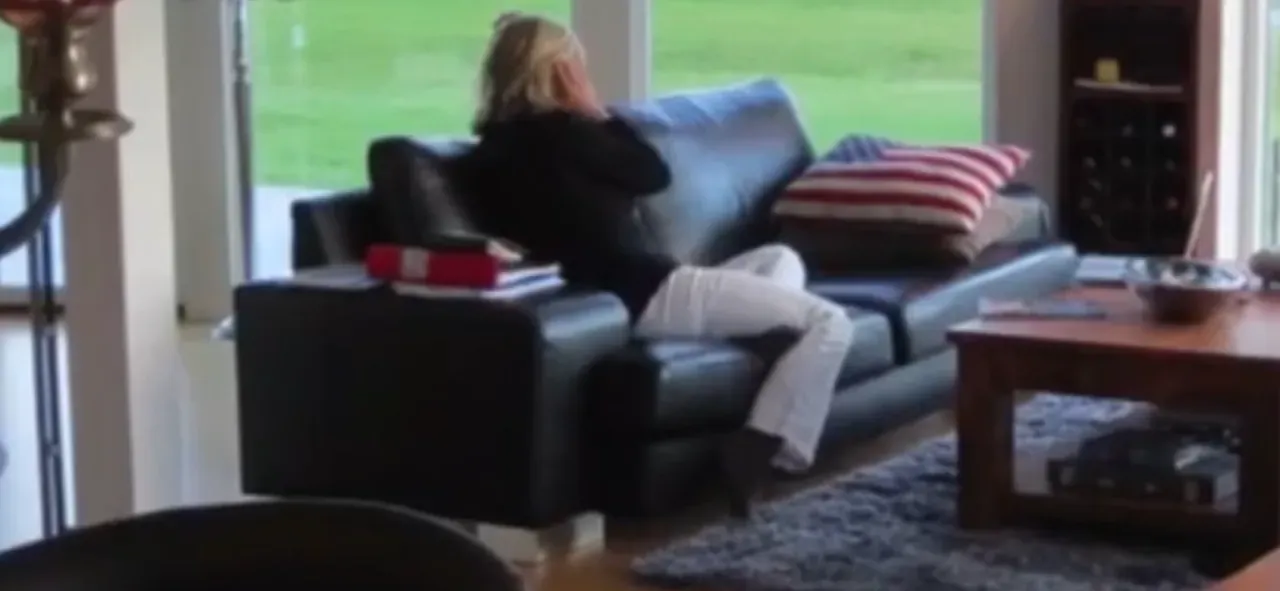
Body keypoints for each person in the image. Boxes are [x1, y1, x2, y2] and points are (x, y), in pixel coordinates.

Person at [461, 12, 856, 517]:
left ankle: (771, 350)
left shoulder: (491, 150)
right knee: (829, 322)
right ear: (559, 71)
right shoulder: (567, 135)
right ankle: (763, 449)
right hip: (647, 292)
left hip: (613, 297)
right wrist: (594, 111)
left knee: (779, 259)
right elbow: (651, 173)